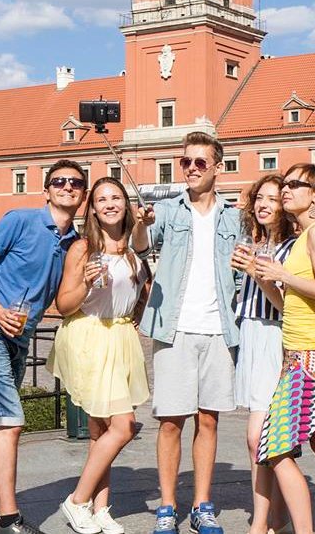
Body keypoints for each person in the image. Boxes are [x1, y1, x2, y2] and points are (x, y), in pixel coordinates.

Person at [0, 161, 85, 533]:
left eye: (75, 183)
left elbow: (63, 301)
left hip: (19, 336)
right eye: (59, 181)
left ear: (82, 194)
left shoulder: (73, 243)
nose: (67, 187)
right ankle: (9, 520)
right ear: (47, 189)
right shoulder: (20, 220)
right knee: (10, 421)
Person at [130, 132, 245, 534]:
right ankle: (166, 506)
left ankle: (202, 504)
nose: (191, 168)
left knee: (209, 421)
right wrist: (142, 226)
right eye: (186, 162)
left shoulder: (234, 216)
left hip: (219, 329)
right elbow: (141, 248)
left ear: (217, 167)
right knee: (170, 422)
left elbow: (246, 266)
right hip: (174, 328)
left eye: (200, 162)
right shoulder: (165, 210)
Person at [249, 162, 315, 534]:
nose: (285, 189)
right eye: (286, 183)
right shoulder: (306, 236)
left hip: (312, 360)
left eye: (295, 184)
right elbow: (287, 305)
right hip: (307, 355)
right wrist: (263, 276)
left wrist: (282, 274)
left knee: (276, 448)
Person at [51, 176, 149, 534]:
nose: (109, 204)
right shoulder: (82, 249)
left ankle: (100, 508)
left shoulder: (135, 248)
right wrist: (86, 284)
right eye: (102, 199)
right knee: (123, 427)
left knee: (101, 432)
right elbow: (63, 305)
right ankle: (77, 501)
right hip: (90, 335)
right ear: (92, 208)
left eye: (116, 198)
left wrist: (136, 315)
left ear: (126, 204)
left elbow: (144, 290)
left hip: (120, 336)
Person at [228, 174, 296, 534]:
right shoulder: (255, 242)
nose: (264, 204)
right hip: (251, 332)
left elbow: (285, 305)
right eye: (260, 198)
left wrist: (256, 273)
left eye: (273, 198)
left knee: (260, 435)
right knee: (265, 435)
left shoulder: (290, 248)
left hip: (274, 337)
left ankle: (260, 523)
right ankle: (278, 519)